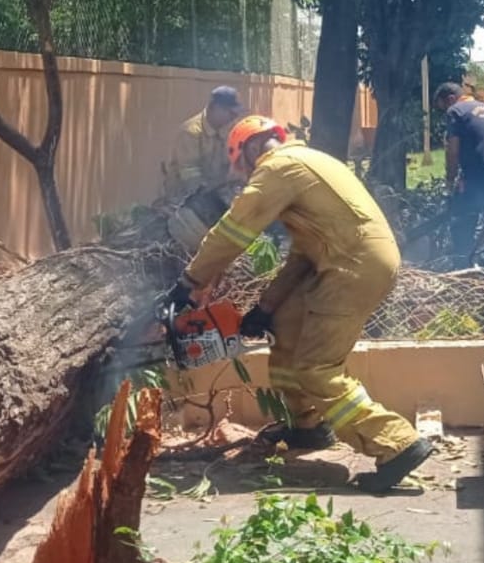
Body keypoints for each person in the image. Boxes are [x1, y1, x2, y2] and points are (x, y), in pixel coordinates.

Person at [165, 115, 433, 492]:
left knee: (316, 369)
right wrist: (267, 308)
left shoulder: (280, 167)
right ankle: (307, 425)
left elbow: (234, 229)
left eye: (241, 167)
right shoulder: (305, 163)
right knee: (287, 328)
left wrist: (191, 281)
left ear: (250, 149)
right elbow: (303, 255)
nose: (242, 177)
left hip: (352, 266)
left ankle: (396, 443)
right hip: (346, 258)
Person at [432, 82, 484, 268]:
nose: (445, 111)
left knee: (462, 220)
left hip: (476, 177)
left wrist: (451, 179)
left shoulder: (456, 111)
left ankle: (462, 267)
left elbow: (453, 149)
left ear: (450, 99)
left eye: (443, 107)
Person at [163, 86, 247, 201]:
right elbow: (189, 174)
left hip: (216, 197)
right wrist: (208, 198)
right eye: (231, 113)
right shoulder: (190, 132)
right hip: (183, 199)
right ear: (215, 108)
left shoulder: (230, 130)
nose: (234, 118)